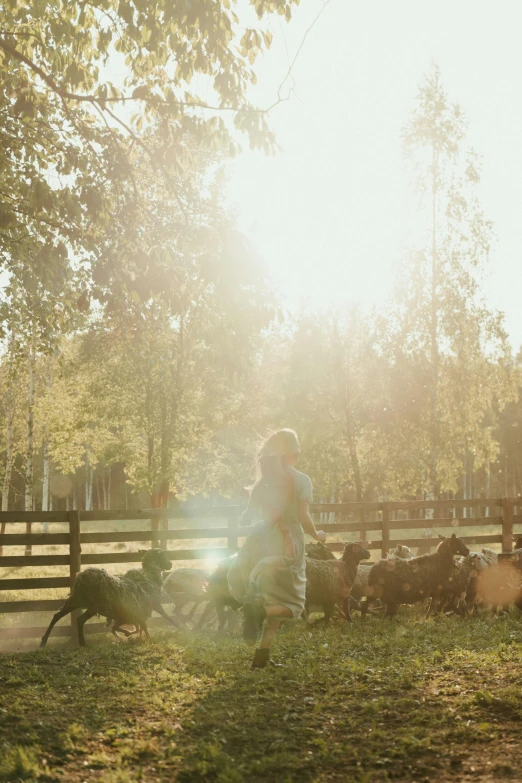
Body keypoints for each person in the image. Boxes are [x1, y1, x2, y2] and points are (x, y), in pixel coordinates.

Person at [228, 428, 326, 669]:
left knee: (273, 597)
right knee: (294, 606)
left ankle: (261, 659)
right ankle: (256, 611)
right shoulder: (301, 480)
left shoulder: (263, 483)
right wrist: (318, 534)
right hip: (287, 543)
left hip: (261, 542)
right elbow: (303, 516)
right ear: (294, 452)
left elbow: (245, 518)